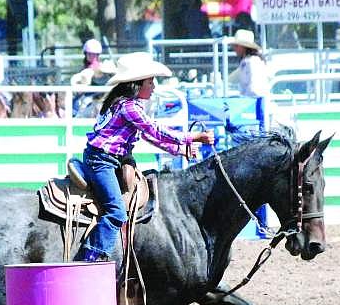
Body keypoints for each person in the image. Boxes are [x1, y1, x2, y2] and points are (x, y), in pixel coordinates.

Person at [74, 52, 214, 263]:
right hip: (101, 161)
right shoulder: (129, 107)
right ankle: (90, 257)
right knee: (116, 212)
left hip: (107, 159)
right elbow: (155, 130)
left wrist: (180, 150)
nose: (154, 86)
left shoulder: (123, 104)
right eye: (151, 81)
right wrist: (192, 137)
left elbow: (150, 136)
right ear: (137, 84)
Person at [228, 29, 270, 128]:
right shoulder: (250, 61)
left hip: (255, 103)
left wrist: (244, 101)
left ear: (244, 47)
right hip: (254, 102)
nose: (234, 48)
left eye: (237, 46)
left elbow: (254, 88)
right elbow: (233, 78)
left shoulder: (250, 62)